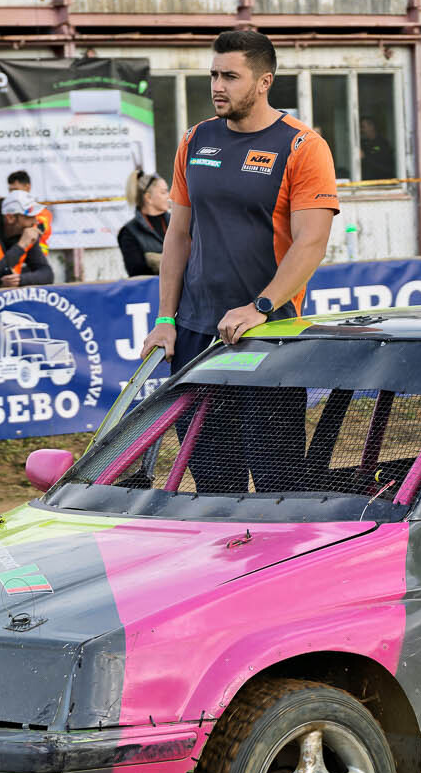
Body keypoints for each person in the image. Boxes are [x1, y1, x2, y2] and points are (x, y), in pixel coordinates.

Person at [138, 29, 338, 494]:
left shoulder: (302, 146)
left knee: (276, 486)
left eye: (230, 76)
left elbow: (311, 242)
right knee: (212, 486)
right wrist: (165, 318)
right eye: (213, 75)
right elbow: (178, 235)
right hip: (194, 336)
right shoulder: (196, 139)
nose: (217, 86)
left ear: (264, 81)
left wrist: (260, 307)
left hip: (268, 334)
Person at [117, 170, 171, 278]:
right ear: (148, 198)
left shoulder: (177, 223)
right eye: (163, 192)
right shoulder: (129, 232)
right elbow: (136, 272)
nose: (169, 196)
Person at [4, 169, 54, 250]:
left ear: (27, 187)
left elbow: (38, 230)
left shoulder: (41, 212)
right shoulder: (7, 211)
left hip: (36, 254)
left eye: (16, 190)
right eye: (10, 190)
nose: (13, 194)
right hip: (15, 253)